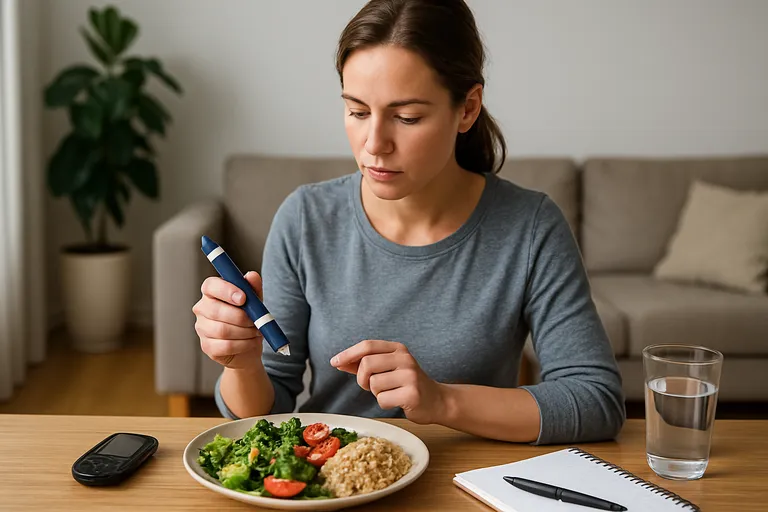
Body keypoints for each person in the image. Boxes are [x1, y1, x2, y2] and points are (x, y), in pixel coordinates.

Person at [193, 0, 625, 445]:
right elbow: (270, 408)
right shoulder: (305, 219)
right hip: (328, 482)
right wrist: (242, 365)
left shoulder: (530, 227)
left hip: (468, 482)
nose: (374, 144)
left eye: (407, 117)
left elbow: (595, 400)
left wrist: (443, 402)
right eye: (357, 112)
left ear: (468, 109)